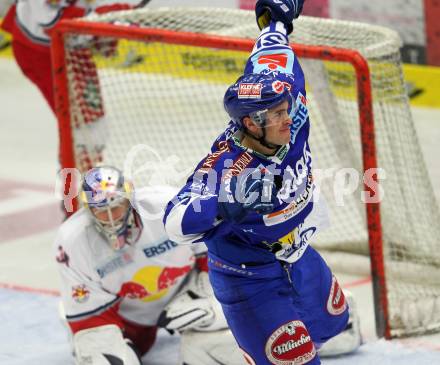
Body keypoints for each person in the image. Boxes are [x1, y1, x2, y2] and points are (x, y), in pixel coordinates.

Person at [164, 1, 361, 364]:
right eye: (277, 115)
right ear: (251, 124)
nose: (290, 118)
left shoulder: (287, 104)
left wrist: (276, 20)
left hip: (298, 254)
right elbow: (174, 219)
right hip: (249, 280)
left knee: (336, 327)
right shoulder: (224, 168)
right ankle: (217, 346)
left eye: (286, 109)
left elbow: (272, 51)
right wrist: (225, 203)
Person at [54, 165, 239, 365]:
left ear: (129, 198)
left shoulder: (167, 205)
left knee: (222, 343)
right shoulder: (72, 242)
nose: (111, 219)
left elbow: (219, 255)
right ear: (88, 209)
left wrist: (215, 306)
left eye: (116, 206)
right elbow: (89, 318)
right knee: (105, 359)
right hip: (127, 316)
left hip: (186, 294)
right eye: (101, 210)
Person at [1, 1, 148, 171]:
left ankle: (86, 183)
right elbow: (52, 22)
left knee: (94, 123)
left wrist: (108, 30)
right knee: (77, 124)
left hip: (73, 48)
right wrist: (104, 19)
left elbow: (86, 20)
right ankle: (74, 188)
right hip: (40, 54)